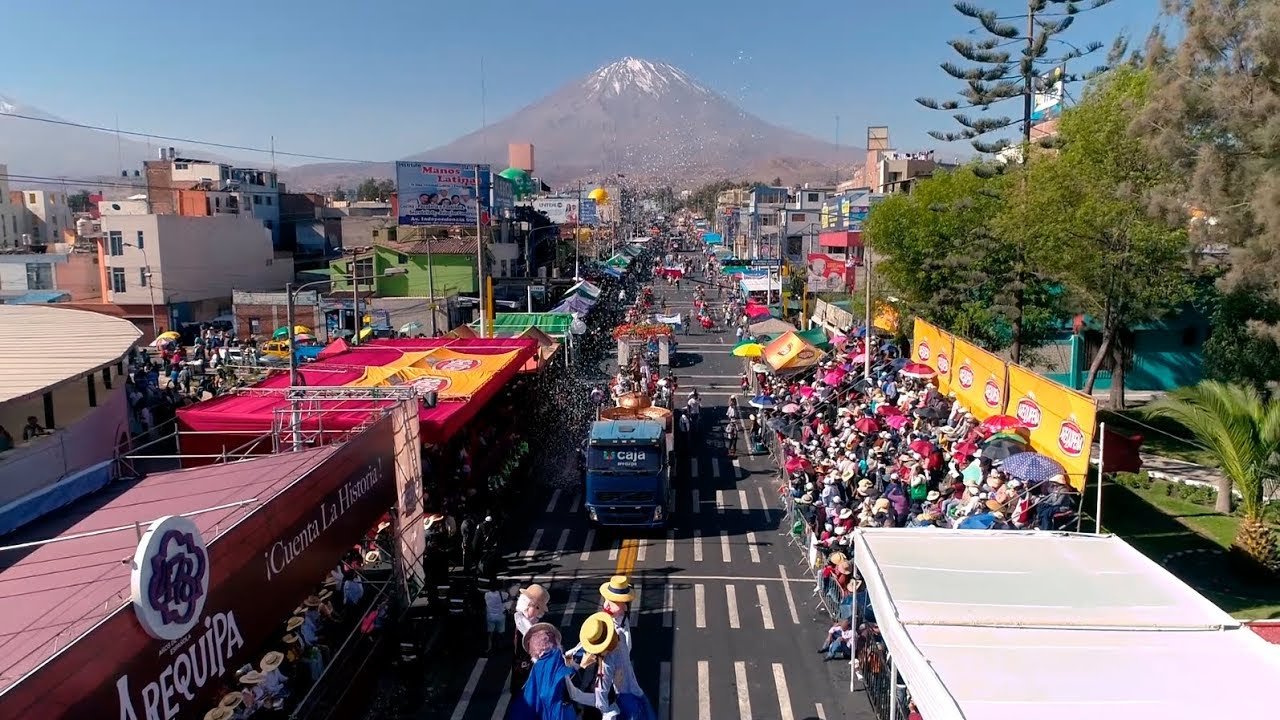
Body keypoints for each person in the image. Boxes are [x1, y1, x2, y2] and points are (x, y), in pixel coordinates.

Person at [512, 584, 551, 693]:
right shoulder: (521, 619)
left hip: (524, 661)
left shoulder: (529, 620)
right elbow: (530, 633)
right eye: (537, 607)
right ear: (528, 604)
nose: (539, 612)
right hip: (523, 662)